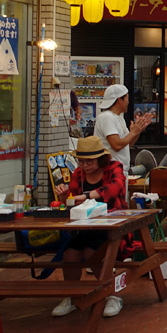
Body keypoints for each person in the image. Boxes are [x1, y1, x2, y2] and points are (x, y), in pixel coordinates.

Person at [51, 136, 129, 318]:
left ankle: (111, 295)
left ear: (100, 159)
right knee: (70, 252)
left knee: (91, 253)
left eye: (89, 161)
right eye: (81, 161)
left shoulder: (114, 168)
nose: (84, 165)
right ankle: (71, 297)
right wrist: (63, 197)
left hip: (114, 228)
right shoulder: (78, 174)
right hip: (86, 227)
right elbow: (71, 201)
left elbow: (113, 189)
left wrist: (84, 196)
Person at [95, 84, 153, 175]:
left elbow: (127, 144)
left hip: (121, 171)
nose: (128, 102)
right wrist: (133, 133)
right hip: (110, 171)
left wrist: (137, 131)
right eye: (127, 98)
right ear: (119, 100)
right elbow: (116, 145)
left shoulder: (119, 118)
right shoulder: (106, 117)